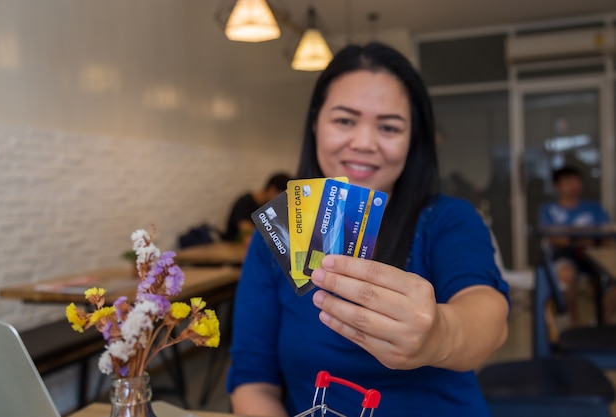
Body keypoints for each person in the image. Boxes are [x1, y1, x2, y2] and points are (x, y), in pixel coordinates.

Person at [227, 42, 510, 417]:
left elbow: (489, 316)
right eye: (344, 120)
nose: (363, 143)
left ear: (413, 140)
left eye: (389, 127)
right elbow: (252, 382)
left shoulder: (447, 219)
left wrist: (441, 333)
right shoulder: (277, 235)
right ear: (315, 124)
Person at [539, 165, 611, 325]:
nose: (573, 185)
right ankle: (574, 323)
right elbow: (554, 239)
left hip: (594, 253)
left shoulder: (594, 207)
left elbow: (608, 234)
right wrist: (585, 238)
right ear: (557, 185)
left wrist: (578, 239)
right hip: (564, 254)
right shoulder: (548, 209)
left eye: (576, 181)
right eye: (567, 181)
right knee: (566, 275)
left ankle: (602, 322)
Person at [223, 172, 291, 245]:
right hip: (235, 248)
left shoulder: (268, 208)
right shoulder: (245, 203)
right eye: (281, 198)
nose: (281, 203)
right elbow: (248, 238)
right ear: (272, 189)